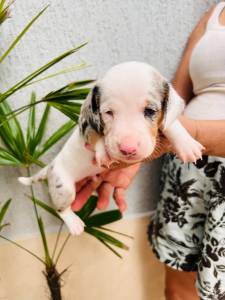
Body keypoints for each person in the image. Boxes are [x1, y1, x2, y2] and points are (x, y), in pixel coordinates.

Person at [72, 2, 225, 299]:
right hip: (188, 175)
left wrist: (189, 133)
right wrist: (137, 153)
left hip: (195, 151)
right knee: (179, 290)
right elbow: (172, 95)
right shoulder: (216, 11)